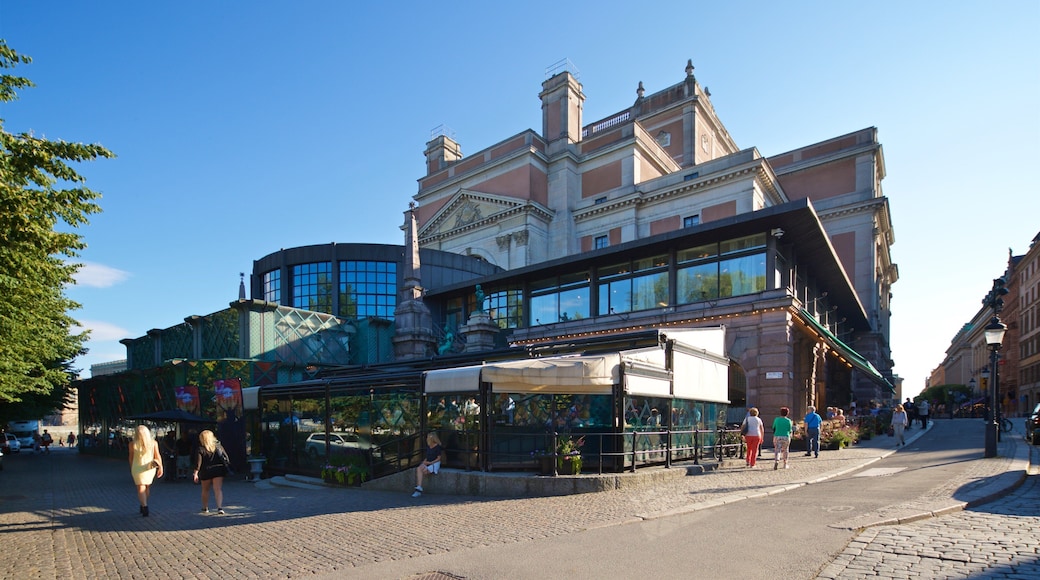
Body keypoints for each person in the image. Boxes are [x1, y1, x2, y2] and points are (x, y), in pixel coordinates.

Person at [129, 425, 163, 517]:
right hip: (149, 468)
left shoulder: (132, 444)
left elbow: (131, 458)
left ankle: (143, 504)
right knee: (145, 487)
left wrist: (131, 467)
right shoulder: (153, 443)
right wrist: (161, 467)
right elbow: (157, 455)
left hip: (137, 467)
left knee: (141, 487)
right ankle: (144, 506)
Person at [193, 430, 229, 514]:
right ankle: (219, 507)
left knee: (205, 490)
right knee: (218, 489)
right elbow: (225, 457)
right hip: (218, 470)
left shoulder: (200, 449)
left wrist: (195, 473)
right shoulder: (218, 447)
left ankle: (205, 507)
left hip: (206, 471)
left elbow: (198, 462)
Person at [412, 432, 443, 497]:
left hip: (434, 463)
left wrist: (430, 463)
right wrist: (424, 462)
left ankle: (419, 488)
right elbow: (427, 456)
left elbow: (439, 458)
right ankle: (419, 487)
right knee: (419, 468)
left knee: (424, 471)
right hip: (428, 462)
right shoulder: (428, 447)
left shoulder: (437, 447)